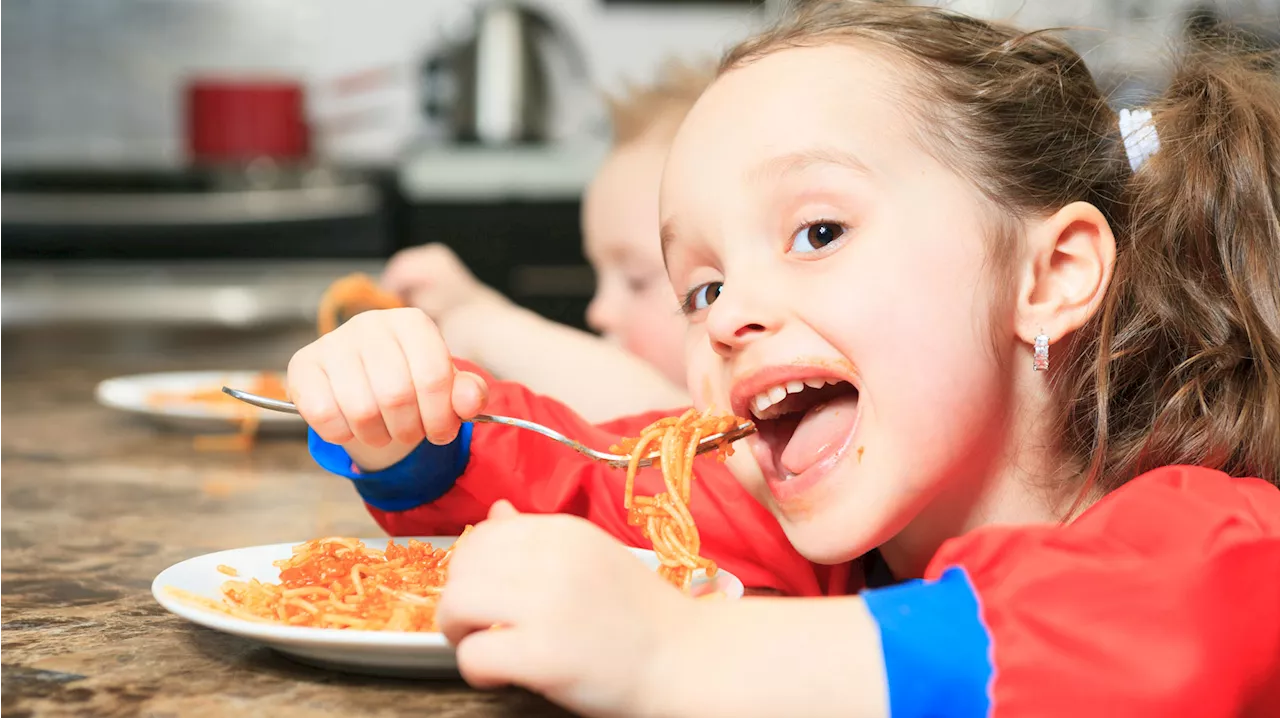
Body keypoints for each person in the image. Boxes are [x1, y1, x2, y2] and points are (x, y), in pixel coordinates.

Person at [286, 2, 1280, 716]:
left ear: (1051, 274)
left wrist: (679, 654)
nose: (727, 317)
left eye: (814, 232)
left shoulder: (1225, 541)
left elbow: (1149, 641)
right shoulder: (825, 537)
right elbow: (597, 478)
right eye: (701, 288)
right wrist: (419, 429)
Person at [378, 62, 717, 422]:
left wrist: (480, 320)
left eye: (635, 280)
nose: (598, 311)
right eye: (599, 277)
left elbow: (662, 416)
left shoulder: (746, 432)